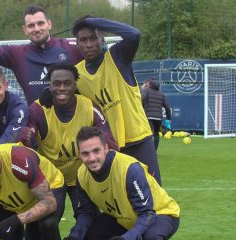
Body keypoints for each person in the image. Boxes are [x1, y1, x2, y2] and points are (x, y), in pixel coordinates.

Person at [18, 63, 118, 220]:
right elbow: (24, 140)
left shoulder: (89, 106)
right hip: (51, 177)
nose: (62, 88)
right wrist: (26, 136)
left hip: (82, 176)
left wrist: (110, 165)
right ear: (49, 86)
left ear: (75, 85)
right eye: (57, 84)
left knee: (90, 220)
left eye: (67, 83)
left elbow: (108, 141)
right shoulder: (38, 109)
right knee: (47, 222)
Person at [72, 16, 162, 185]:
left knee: (154, 195)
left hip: (139, 139)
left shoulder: (117, 56)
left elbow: (134, 34)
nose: (89, 44)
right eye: (83, 40)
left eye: (93, 38)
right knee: (122, 200)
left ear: (102, 40)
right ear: (77, 44)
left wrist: (93, 21)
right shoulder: (77, 74)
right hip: (110, 147)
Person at [64, 126, 180, 240]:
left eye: (96, 151)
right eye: (85, 153)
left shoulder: (129, 170)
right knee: (90, 234)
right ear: (79, 154)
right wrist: (74, 236)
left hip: (159, 214)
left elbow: (147, 214)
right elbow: (86, 213)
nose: (92, 158)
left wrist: (126, 238)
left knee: (151, 237)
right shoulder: (81, 175)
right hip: (124, 219)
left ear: (106, 148)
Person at [0, 3, 83, 104]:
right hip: (40, 127)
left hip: (75, 125)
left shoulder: (72, 47)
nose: (36, 29)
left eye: (40, 23)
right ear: (25, 30)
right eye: (31, 26)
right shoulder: (17, 54)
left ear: (49, 24)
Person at [141, 78, 172, 150]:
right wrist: (169, 118)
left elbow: (141, 100)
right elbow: (167, 107)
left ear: (150, 85)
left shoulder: (146, 91)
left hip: (148, 117)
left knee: (148, 134)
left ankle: (148, 150)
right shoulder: (161, 94)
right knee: (156, 134)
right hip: (158, 118)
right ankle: (154, 151)